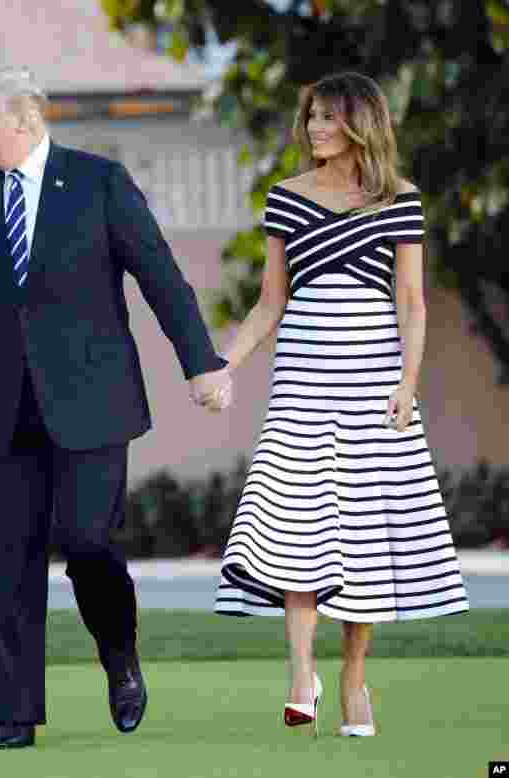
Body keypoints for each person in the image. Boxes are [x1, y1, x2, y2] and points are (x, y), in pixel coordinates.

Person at [0, 66, 232, 750]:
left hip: (95, 400)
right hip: (7, 405)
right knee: (13, 558)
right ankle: (13, 713)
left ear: (26, 120)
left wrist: (200, 363)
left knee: (89, 541)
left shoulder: (98, 183)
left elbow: (160, 274)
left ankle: (119, 655)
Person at [213, 72, 470, 737]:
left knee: (364, 535)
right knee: (296, 520)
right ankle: (303, 674)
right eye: (312, 118)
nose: (316, 129)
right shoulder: (285, 198)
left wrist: (408, 384)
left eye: (329, 118)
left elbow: (411, 303)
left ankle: (354, 679)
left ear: (361, 123)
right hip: (301, 377)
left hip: (375, 376)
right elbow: (270, 300)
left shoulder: (399, 199)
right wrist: (224, 365)